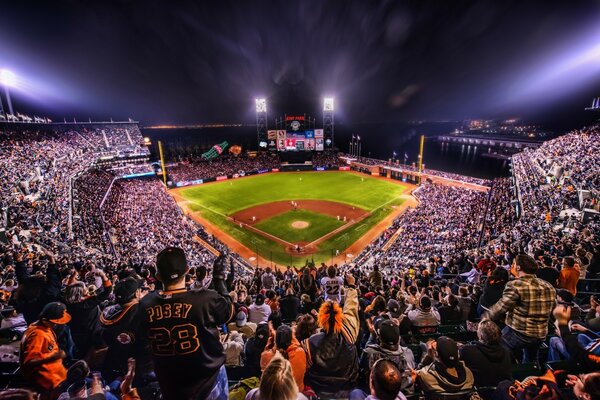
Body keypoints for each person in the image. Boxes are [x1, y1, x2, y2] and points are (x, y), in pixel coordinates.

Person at [138, 248, 234, 400]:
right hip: (208, 383)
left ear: (158, 276)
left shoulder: (144, 305)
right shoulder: (205, 299)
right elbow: (228, 311)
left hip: (170, 387)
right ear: (187, 270)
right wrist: (219, 279)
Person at [485, 254, 556, 363]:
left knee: (497, 347)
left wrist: (485, 317)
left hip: (519, 332)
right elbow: (553, 310)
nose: (512, 266)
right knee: (531, 360)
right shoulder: (548, 286)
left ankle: (506, 372)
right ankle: (530, 376)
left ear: (518, 267)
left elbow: (501, 307)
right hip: (540, 333)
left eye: (513, 264)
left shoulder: (515, 285)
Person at [303, 274, 360, 397]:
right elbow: (351, 309)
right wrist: (351, 286)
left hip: (319, 393)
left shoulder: (310, 342)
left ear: (320, 320)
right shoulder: (348, 333)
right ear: (340, 317)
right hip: (347, 390)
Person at [20, 302, 71, 398]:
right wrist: (52, 358)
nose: (56, 325)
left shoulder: (42, 326)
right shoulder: (37, 335)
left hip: (57, 374)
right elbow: (29, 362)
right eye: (55, 323)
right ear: (45, 320)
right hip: (48, 382)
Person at [99, 277, 143, 380]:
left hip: (113, 356)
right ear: (137, 293)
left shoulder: (108, 309)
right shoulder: (138, 313)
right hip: (133, 364)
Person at [360, 319, 415, 392]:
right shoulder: (408, 352)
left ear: (379, 337)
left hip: (379, 395)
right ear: (399, 337)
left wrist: (372, 335)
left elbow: (362, 375)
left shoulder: (369, 352)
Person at [459, 320, 512, 387]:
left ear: (480, 336)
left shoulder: (468, 351)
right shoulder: (506, 351)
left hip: (481, 392)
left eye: (477, 330)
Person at [260, 324, 307, 391]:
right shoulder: (301, 352)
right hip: (297, 393)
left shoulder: (266, 356)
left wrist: (269, 344)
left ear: (275, 340)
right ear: (291, 339)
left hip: (274, 396)